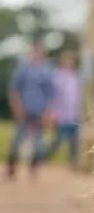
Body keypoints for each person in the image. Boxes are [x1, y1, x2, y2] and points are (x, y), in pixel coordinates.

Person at [6, 43, 53, 178]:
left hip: (39, 110)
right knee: (17, 138)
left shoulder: (47, 71)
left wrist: (48, 110)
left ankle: (34, 166)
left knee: (39, 140)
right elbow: (14, 90)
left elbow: (50, 93)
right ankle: (12, 165)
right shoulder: (22, 70)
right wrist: (17, 107)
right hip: (24, 108)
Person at [45, 50, 82, 166]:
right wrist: (52, 111)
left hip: (74, 113)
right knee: (58, 139)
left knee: (74, 140)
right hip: (61, 113)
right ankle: (44, 158)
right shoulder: (57, 76)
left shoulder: (76, 76)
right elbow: (53, 95)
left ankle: (72, 161)